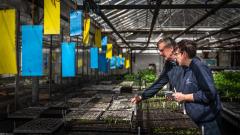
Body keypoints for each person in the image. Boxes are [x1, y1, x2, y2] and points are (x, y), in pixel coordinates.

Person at [173, 40, 222, 135]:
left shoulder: (199, 68)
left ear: (184, 54)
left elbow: (210, 94)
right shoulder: (187, 69)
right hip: (197, 121)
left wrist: (184, 97)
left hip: (207, 124)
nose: (175, 57)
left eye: (176, 54)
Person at [131, 37, 184, 103]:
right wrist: (142, 96)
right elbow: (159, 82)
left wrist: (186, 96)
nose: (160, 54)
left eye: (162, 50)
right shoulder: (169, 64)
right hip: (187, 106)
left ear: (171, 48)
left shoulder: (189, 62)